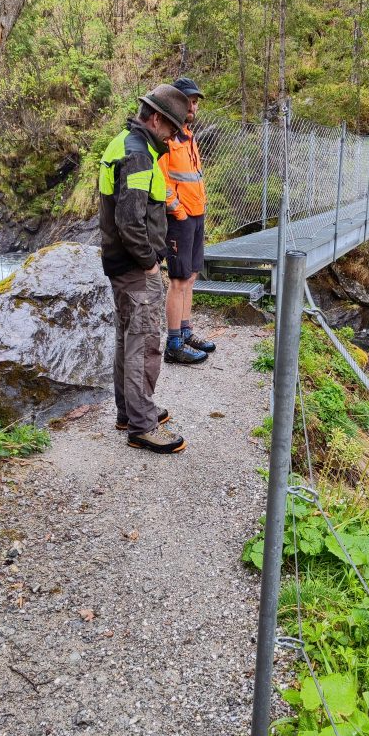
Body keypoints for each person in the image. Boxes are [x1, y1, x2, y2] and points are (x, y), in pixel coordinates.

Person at [98, 84, 191, 455]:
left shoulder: (125, 141)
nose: (172, 135)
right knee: (144, 343)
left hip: (120, 263)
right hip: (135, 266)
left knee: (128, 339)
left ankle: (130, 411)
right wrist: (151, 263)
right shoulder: (138, 154)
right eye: (170, 127)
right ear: (155, 119)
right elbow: (129, 219)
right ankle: (141, 425)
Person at [158, 76, 217, 365]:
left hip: (196, 213)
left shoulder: (189, 136)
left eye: (195, 102)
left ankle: (186, 330)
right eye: (189, 101)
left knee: (191, 276)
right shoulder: (167, 138)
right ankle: (173, 343)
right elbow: (161, 178)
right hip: (180, 217)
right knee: (179, 279)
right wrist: (176, 208)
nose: (193, 106)